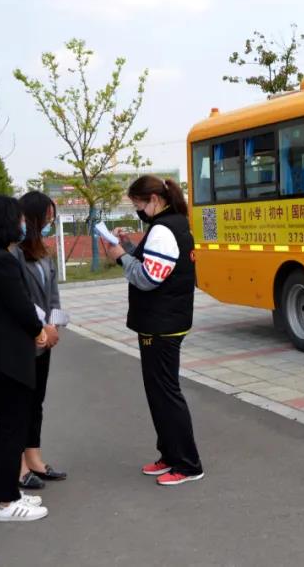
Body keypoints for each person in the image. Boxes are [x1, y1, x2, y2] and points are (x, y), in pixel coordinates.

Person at [101, 175, 204, 486]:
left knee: (166, 394)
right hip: (166, 320)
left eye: (138, 204)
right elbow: (155, 263)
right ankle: (170, 455)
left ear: (155, 200)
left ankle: (188, 464)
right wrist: (128, 247)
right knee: (159, 393)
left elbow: (148, 278)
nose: (138, 211)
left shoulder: (163, 229)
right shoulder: (174, 223)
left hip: (162, 323)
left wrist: (120, 257)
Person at [0, 195, 58, 522]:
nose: (24, 225)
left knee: (5, 425)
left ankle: (5, 491)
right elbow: (21, 306)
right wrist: (40, 332)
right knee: (11, 427)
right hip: (9, 355)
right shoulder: (3, 261)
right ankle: (5, 503)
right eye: (19, 219)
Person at [12, 191, 67, 491]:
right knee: (21, 403)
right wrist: (43, 327)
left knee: (36, 402)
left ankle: (34, 458)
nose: (49, 222)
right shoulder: (14, 253)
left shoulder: (43, 253)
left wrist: (53, 326)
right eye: (46, 217)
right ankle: (18, 464)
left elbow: (53, 294)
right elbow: (19, 297)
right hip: (25, 337)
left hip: (44, 340)